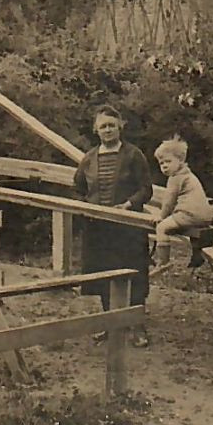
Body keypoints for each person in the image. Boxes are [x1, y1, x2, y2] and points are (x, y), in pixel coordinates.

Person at [73, 105, 152, 345]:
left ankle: (136, 326)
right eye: (103, 126)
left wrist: (128, 205)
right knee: (104, 273)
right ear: (96, 130)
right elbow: (78, 189)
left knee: (134, 273)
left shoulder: (133, 155)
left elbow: (146, 189)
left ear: (120, 127)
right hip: (100, 229)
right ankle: (109, 324)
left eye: (111, 125)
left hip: (128, 227)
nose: (107, 130)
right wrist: (88, 208)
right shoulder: (88, 159)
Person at [149, 135, 213, 275]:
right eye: (161, 163)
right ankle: (197, 255)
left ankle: (163, 262)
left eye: (168, 161)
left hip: (190, 214)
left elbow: (168, 201)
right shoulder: (188, 175)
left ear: (180, 160)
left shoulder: (176, 178)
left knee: (161, 228)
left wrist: (161, 216)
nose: (164, 166)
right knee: (175, 222)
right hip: (205, 216)